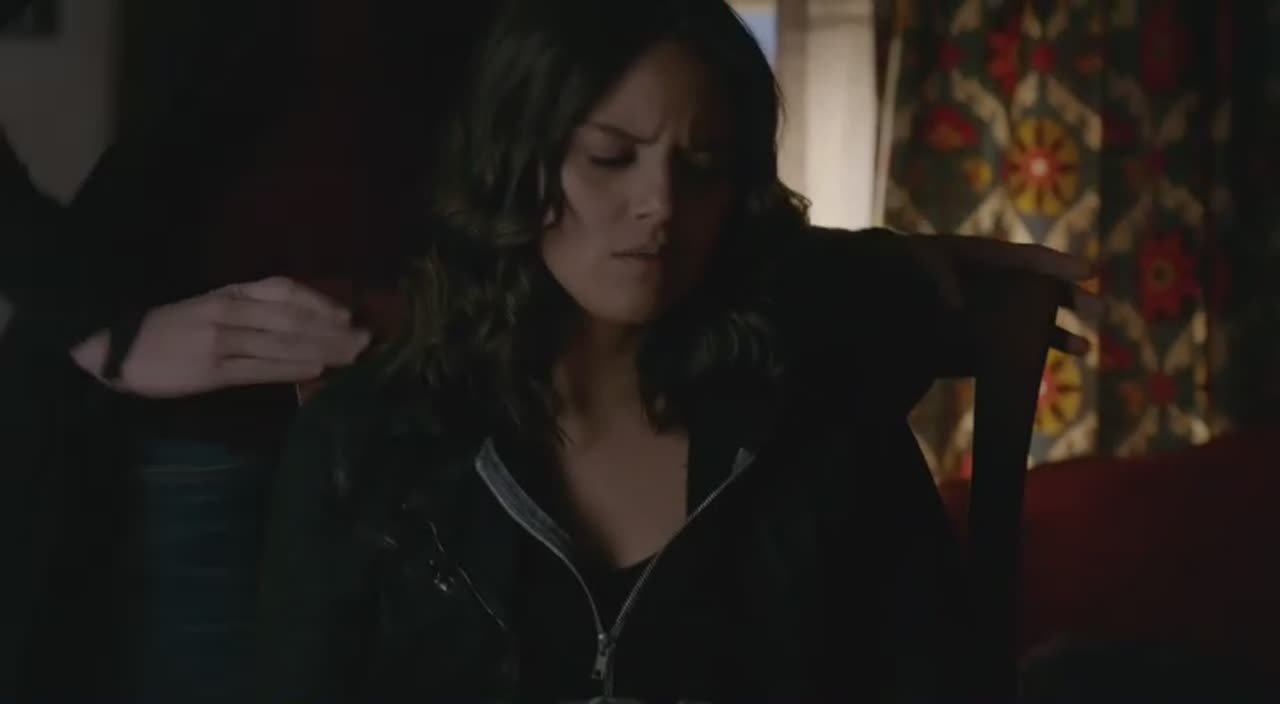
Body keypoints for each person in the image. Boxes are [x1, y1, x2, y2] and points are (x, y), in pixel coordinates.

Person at [253, 1, 1098, 701]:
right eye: (610, 158)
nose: (659, 203)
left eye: (702, 168)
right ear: (517, 164)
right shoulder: (367, 447)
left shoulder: (823, 428)